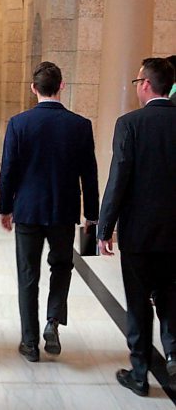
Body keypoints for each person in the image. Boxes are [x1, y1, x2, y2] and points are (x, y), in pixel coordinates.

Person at [0, 61, 99, 362]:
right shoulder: (80, 125)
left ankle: (29, 343)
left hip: (28, 210)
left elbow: (8, 172)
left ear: (34, 89)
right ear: (62, 86)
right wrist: (91, 214)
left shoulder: (19, 123)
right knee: (62, 266)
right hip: (63, 210)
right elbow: (89, 175)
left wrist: (5, 207)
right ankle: (53, 321)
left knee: (28, 274)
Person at [98, 57, 176, 397]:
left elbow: (119, 179)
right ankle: (174, 357)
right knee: (173, 300)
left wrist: (104, 228)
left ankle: (140, 373)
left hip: (139, 234)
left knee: (139, 303)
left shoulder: (130, 123)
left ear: (145, 84)